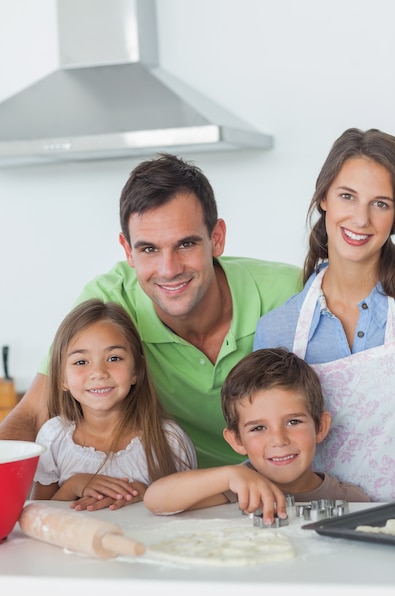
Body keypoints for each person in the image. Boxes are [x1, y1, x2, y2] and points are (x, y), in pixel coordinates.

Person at [0, 153, 301, 471]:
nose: (169, 269)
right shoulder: (108, 307)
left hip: (285, 481)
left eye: (186, 244)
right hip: (173, 495)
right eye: (148, 249)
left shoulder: (289, 292)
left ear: (217, 238)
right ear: (128, 250)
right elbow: (34, 413)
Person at [254, 128, 395, 502]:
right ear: (324, 197)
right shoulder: (277, 330)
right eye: (347, 196)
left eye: (380, 203)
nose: (360, 219)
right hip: (314, 532)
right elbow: (266, 447)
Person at [144, 348, 370, 521]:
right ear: (236, 439)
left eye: (293, 422)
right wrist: (229, 476)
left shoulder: (352, 500)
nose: (279, 439)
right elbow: (156, 499)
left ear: (320, 426)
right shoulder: (238, 488)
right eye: (258, 428)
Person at [31, 299, 197, 511]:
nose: (99, 372)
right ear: (62, 379)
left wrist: (147, 494)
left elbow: (189, 518)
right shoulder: (52, 438)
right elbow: (39, 513)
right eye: (81, 362)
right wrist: (74, 486)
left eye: (114, 358)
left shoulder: (169, 440)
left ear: (136, 371)